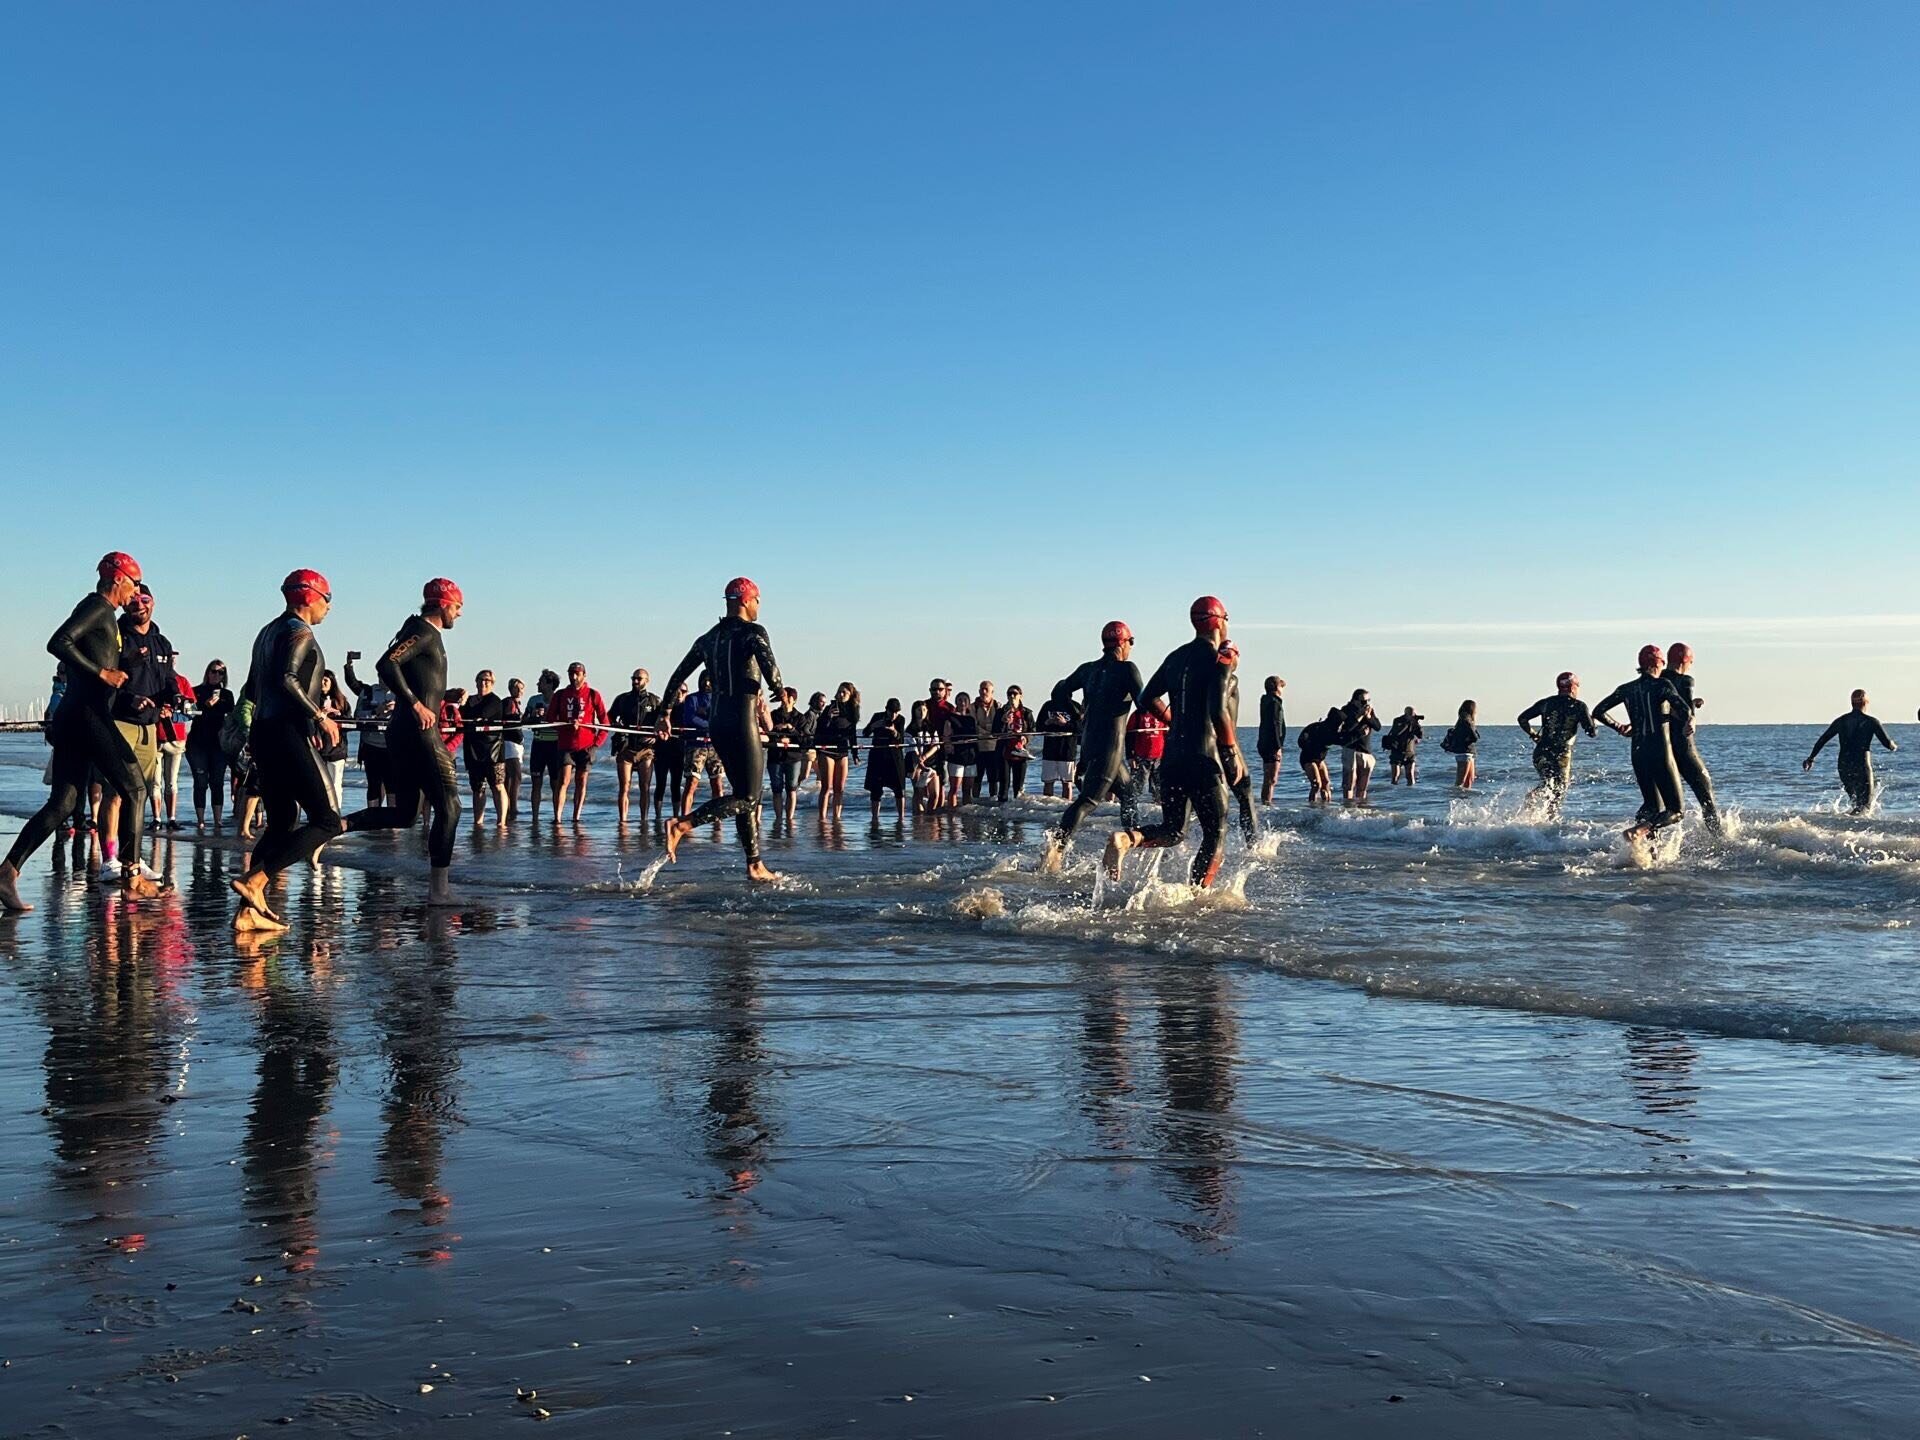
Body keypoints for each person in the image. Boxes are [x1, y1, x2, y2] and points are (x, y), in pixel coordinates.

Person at [2, 553, 164, 911]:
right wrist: (101, 674)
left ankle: (6, 873)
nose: (136, 593)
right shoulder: (98, 607)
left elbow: (92, 654)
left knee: (63, 804)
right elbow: (58, 642)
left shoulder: (107, 616)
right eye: (134, 584)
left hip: (76, 716)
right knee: (135, 787)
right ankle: (133, 876)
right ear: (119, 579)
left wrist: (121, 672)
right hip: (87, 716)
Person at [229, 569, 354, 931]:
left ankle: (247, 913)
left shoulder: (267, 632)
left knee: (283, 820)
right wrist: (318, 717)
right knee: (327, 820)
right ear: (309, 598)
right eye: (327, 599)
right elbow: (287, 679)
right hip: (285, 734)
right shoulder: (300, 632)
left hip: (266, 733)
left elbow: (253, 687)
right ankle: (256, 881)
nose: (329, 607)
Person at [1105, 597, 1242, 888]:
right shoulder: (1219, 660)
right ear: (1218, 620)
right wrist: (1231, 753)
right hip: (1203, 757)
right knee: (1216, 832)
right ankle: (1198, 897)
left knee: (1173, 831)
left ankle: (1125, 840)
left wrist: (1171, 720)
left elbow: (1146, 698)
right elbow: (1218, 711)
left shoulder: (1176, 657)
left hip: (1172, 757)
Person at [660, 577, 786, 882]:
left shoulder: (708, 638)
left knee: (742, 792)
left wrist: (664, 712)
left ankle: (754, 864)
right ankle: (682, 824)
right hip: (742, 723)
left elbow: (678, 674)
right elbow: (767, 660)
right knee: (749, 798)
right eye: (757, 600)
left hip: (718, 724)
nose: (758, 606)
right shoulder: (753, 632)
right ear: (745, 600)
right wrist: (779, 689)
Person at [350, 577, 466, 906]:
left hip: (403, 731)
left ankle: (333, 827)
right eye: (457, 607)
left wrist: (443, 696)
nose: (459, 614)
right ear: (444, 604)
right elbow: (386, 663)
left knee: (405, 815)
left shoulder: (417, 631)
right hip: (419, 732)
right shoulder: (425, 631)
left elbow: (415, 675)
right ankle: (439, 891)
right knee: (451, 806)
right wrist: (416, 704)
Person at [1044, 621, 1145, 869]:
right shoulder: (1127, 669)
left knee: (1129, 793)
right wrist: (1173, 718)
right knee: (1088, 800)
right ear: (1123, 642)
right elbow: (1143, 702)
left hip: (1090, 743)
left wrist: (1078, 713)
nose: (1131, 647)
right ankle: (1054, 851)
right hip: (1109, 747)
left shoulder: (1087, 670)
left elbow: (1058, 691)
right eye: (1131, 642)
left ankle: (1129, 845)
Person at [99, 582, 177, 882]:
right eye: (133, 600)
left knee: (140, 793)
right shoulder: (116, 637)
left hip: (150, 725)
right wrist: (131, 698)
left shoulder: (162, 643)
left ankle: (132, 857)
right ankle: (109, 858)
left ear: (153, 602)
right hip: (120, 720)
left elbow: (169, 678)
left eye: (144, 599)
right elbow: (104, 680)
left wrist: (173, 698)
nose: (139, 605)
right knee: (116, 791)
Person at [1592, 644, 1694, 835]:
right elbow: (1683, 709)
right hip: (1660, 750)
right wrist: (1690, 719)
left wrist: (1620, 727)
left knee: (1650, 807)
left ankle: (1645, 854)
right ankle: (1638, 831)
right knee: (1676, 810)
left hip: (1638, 752)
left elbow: (1598, 711)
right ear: (1660, 664)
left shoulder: (1626, 689)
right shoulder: (1662, 685)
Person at [1804, 690, 1897, 814]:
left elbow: (1823, 739)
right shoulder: (1871, 722)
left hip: (1844, 766)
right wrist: (1894, 746)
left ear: (1852, 703)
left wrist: (1811, 758)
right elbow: (1887, 744)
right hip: (1861, 765)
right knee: (1866, 806)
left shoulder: (1841, 721)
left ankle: (1844, 828)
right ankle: (1854, 832)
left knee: (1857, 803)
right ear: (1866, 702)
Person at [1517, 672, 1595, 817]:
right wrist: (1592, 721)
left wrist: (1534, 735)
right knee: (1560, 788)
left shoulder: (1546, 703)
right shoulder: (1579, 706)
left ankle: (1533, 800)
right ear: (1573, 687)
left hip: (1541, 751)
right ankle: (1551, 821)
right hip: (1561, 754)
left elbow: (1522, 718)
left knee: (1548, 784)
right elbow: (1591, 733)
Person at [1665, 643, 1719, 832]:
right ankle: (1718, 838)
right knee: (1706, 794)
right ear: (1685, 661)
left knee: (1661, 804)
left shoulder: (1659, 680)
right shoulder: (1686, 680)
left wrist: (1692, 704)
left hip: (1662, 747)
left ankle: (1647, 844)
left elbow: (1668, 706)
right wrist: (1692, 715)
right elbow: (1685, 711)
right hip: (1683, 746)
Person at [550, 661, 609, 825]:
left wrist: (597, 744)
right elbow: (550, 719)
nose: (574, 677)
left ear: (584, 675)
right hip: (566, 745)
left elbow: (605, 722)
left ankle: (576, 816)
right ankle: (558, 817)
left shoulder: (593, 694)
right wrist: (565, 727)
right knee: (563, 780)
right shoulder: (560, 695)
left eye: (577, 673)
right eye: (571, 673)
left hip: (586, 745)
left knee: (581, 781)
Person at [608, 668, 661, 826]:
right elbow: (609, 716)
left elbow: (664, 721)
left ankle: (643, 820)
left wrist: (655, 736)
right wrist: (616, 725)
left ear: (647, 680)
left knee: (645, 787)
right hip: (626, 748)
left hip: (646, 749)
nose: (635, 681)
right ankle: (623, 821)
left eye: (639, 678)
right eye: (633, 678)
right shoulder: (622, 699)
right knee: (624, 786)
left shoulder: (655, 701)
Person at [187, 660, 234, 831]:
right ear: (207, 672)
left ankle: (217, 820)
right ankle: (200, 820)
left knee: (217, 782)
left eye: (221, 672)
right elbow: (189, 711)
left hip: (218, 744)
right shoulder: (196, 691)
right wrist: (204, 705)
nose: (217, 675)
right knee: (200, 782)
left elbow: (230, 709)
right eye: (214, 671)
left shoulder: (227, 694)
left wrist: (218, 703)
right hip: (197, 743)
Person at [344, 649, 395, 806]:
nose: (382, 679)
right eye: (380, 675)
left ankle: (394, 821)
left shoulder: (402, 694)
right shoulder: (368, 691)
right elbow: (359, 717)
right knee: (374, 784)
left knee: (393, 785)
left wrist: (397, 710)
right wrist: (377, 711)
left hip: (393, 745)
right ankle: (373, 818)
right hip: (371, 745)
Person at [1220, 642, 1259, 844]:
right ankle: (1252, 843)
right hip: (1226, 744)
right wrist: (1232, 749)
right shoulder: (1229, 679)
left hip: (1207, 743)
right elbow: (1219, 706)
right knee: (1245, 793)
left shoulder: (1204, 679)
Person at [461, 669, 509, 826]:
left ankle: (501, 821)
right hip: (473, 749)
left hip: (493, 749)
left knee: (497, 785)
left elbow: (481, 715)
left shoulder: (495, 701)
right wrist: (463, 703)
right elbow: (462, 716)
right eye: (480, 680)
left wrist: (470, 709)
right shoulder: (469, 700)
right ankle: (478, 821)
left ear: (492, 683)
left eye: (487, 680)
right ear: (476, 682)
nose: (483, 683)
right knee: (477, 787)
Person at [156, 659, 196, 831]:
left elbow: (192, 712)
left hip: (175, 737)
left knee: (171, 781)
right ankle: (157, 818)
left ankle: (171, 818)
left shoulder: (183, 681)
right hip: (154, 737)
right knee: (155, 783)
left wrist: (172, 716)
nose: (169, 661)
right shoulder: (151, 680)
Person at [815, 682, 861, 817]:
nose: (841, 695)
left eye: (844, 693)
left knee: (839, 788)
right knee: (826, 787)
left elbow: (852, 733)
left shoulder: (852, 711)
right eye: (839, 692)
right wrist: (828, 717)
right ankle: (822, 817)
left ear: (850, 695)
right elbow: (820, 729)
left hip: (842, 750)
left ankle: (837, 817)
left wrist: (855, 753)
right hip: (827, 749)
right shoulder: (830, 708)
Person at [523, 670, 562, 820]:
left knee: (555, 783)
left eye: (541, 682)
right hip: (538, 744)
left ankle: (557, 816)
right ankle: (535, 817)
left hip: (555, 745)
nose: (538, 684)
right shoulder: (534, 700)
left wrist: (550, 717)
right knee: (536, 782)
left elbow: (565, 721)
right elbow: (523, 721)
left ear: (550, 684)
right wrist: (533, 716)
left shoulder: (559, 699)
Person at [863, 699, 909, 818]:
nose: (893, 715)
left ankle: (901, 817)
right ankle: (874, 817)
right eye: (890, 712)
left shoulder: (900, 719)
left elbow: (901, 740)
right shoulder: (877, 716)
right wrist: (874, 726)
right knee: (876, 790)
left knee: (899, 789)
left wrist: (894, 731)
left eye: (896, 712)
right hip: (878, 757)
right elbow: (865, 733)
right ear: (886, 710)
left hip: (894, 757)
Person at [766, 686, 806, 822]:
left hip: (793, 757)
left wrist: (791, 728)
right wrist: (779, 739)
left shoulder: (800, 717)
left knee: (791, 789)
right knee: (776, 789)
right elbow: (768, 733)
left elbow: (803, 739)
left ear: (792, 699)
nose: (782, 700)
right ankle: (778, 818)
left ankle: (790, 819)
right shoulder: (774, 715)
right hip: (775, 756)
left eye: (785, 697)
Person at [1338, 689, 1384, 804]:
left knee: (1363, 784)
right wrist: (1360, 716)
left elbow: (1378, 727)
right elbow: (1347, 728)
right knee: (1349, 783)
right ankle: (1348, 807)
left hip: (1365, 750)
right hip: (1351, 749)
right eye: (1363, 701)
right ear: (1355, 700)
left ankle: (1362, 808)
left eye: (1368, 700)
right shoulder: (1347, 710)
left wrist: (1368, 717)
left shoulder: (1369, 711)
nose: (1366, 704)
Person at [316, 670, 352, 813]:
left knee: (336, 783)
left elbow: (349, 724)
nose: (323, 683)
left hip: (337, 749)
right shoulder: (313, 699)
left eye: (326, 680)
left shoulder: (342, 701)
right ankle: (320, 813)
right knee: (320, 785)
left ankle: (335, 813)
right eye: (321, 679)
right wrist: (321, 714)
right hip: (318, 748)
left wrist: (337, 714)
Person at [1037, 689, 1081, 800]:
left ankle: (1066, 806)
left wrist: (1065, 724)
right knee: (1048, 782)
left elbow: (1080, 728)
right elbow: (1038, 727)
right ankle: (1047, 806)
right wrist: (1047, 722)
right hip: (1050, 750)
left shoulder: (1075, 707)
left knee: (1067, 783)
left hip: (1067, 750)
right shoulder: (1048, 705)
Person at [653, 683, 688, 818]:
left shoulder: (687, 708)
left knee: (676, 784)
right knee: (660, 783)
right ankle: (657, 816)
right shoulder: (664, 708)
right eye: (677, 691)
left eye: (683, 691)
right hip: (662, 749)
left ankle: (676, 815)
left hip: (679, 750)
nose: (679, 694)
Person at [1296, 707, 1345, 803]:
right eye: (1341, 723)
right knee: (1316, 784)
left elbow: (1344, 740)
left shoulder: (1333, 732)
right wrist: (1309, 746)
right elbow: (1301, 740)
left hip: (1320, 759)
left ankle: (1326, 805)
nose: (1342, 726)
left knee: (1326, 783)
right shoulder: (1316, 728)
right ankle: (1312, 806)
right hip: (1308, 758)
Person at [996, 686, 1034, 801]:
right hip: (1005, 752)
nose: (1012, 696)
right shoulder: (1001, 712)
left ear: (1020, 696)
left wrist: (1026, 738)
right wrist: (1003, 722)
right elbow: (995, 732)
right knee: (1004, 786)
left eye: (1015, 694)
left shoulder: (1026, 712)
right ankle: (1002, 813)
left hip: (1020, 753)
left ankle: (1017, 813)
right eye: (1009, 694)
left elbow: (1033, 730)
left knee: (1019, 787)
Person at [1126, 706, 1167, 799]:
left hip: (1160, 757)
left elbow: (1168, 734)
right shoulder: (1137, 714)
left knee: (1160, 790)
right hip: (1140, 757)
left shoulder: (1163, 713)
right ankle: (1132, 810)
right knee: (1135, 789)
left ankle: (1158, 810)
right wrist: (1130, 756)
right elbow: (1129, 737)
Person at [1257, 677, 1287, 804]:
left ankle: (1266, 802)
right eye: (1281, 687)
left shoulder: (1266, 701)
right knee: (1271, 779)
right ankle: (1267, 804)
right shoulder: (1274, 703)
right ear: (1276, 687)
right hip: (1271, 744)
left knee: (1268, 778)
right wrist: (1278, 746)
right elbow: (1275, 724)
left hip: (1264, 742)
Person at [502, 677, 527, 821]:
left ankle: (509, 806)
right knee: (516, 775)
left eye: (521, 688)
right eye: (517, 688)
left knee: (510, 777)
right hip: (509, 743)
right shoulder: (509, 702)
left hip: (516, 743)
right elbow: (508, 719)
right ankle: (513, 807)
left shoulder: (517, 704)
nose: (519, 691)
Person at [973, 682, 1001, 803]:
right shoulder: (972, 707)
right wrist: (989, 732)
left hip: (994, 749)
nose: (983, 692)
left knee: (994, 780)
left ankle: (994, 803)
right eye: (981, 689)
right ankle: (973, 803)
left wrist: (989, 730)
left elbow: (1000, 727)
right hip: (978, 748)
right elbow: (973, 726)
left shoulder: (998, 707)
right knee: (976, 779)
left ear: (992, 692)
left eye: (986, 690)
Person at [1441, 701, 1480, 790]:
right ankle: (1456, 798)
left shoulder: (1462, 719)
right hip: (1465, 752)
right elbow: (1474, 737)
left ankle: (1464, 798)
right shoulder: (1466, 720)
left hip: (1467, 752)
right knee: (1461, 781)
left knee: (1469, 780)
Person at [1384, 707, 1424, 785]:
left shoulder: (1414, 723)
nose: (1413, 716)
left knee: (1410, 775)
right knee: (1395, 775)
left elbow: (1420, 735)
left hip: (1409, 752)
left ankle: (1410, 793)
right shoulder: (1398, 721)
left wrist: (1417, 724)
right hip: (1397, 751)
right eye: (1411, 714)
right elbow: (1396, 732)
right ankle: (1394, 792)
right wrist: (1407, 722)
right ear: (1406, 714)